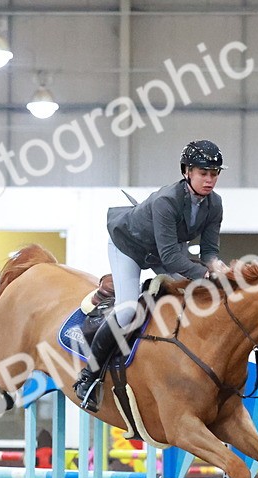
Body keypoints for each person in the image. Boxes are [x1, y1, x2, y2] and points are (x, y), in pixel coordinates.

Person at [73, 139, 226, 412]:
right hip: (130, 247)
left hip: (163, 251)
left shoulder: (214, 204)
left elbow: (209, 250)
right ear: (187, 172)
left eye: (214, 174)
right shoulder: (167, 201)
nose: (209, 180)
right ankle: (89, 375)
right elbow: (171, 258)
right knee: (126, 312)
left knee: (197, 296)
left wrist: (219, 268)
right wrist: (205, 273)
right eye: (203, 173)